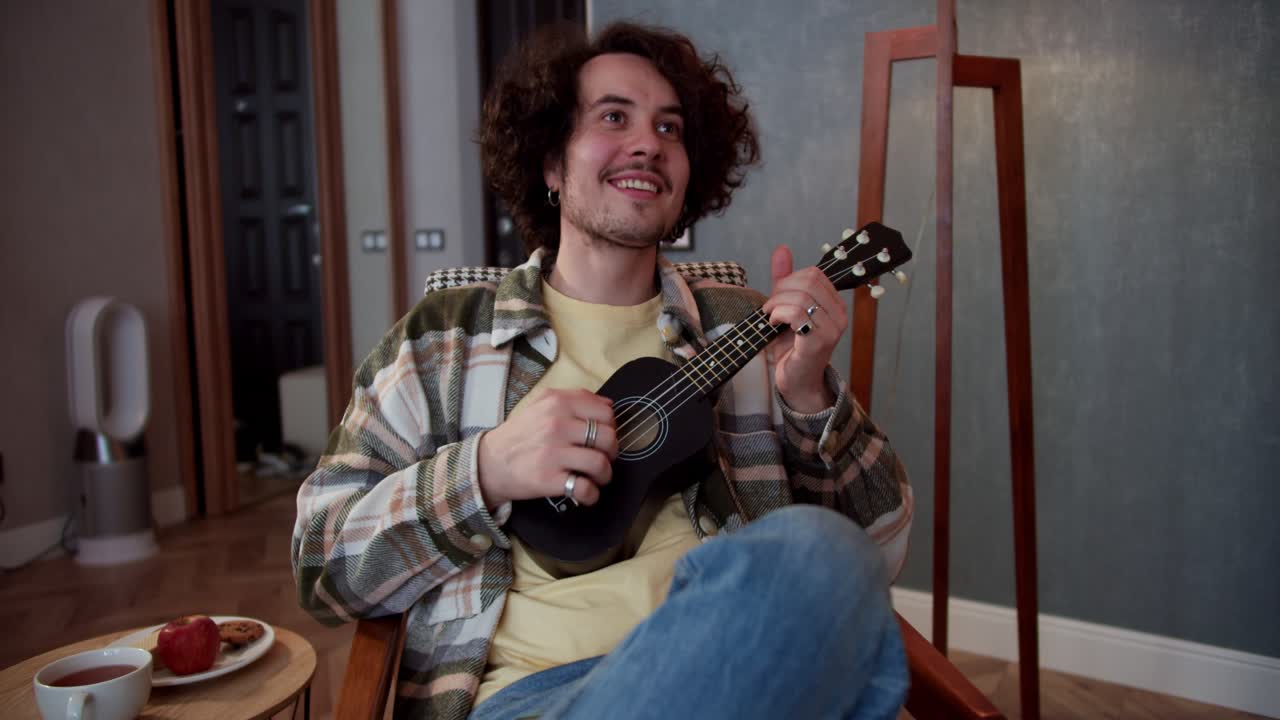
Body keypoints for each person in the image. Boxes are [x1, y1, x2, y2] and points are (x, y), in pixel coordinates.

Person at [292, 21, 913, 720]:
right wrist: (485, 470)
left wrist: (807, 397)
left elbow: (880, 549)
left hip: (722, 665)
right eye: (614, 117)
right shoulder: (444, 340)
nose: (649, 142)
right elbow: (322, 565)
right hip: (534, 698)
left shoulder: (743, 327)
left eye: (670, 128)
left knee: (822, 552)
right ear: (551, 164)